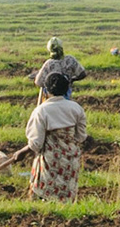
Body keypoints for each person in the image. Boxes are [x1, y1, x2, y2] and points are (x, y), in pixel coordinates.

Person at [18, 73, 87, 201]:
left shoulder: (41, 111)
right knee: (66, 195)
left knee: (45, 194)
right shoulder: (76, 109)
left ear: (46, 90)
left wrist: (21, 152)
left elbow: (36, 144)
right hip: (70, 161)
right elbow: (81, 137)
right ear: (67, 90)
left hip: (50, 161)